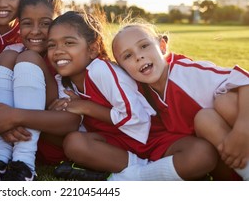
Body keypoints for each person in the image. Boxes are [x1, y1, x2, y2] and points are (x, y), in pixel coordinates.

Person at [47, 11, 217, 181]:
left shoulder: (101, 71)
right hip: (117, 146)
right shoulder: (62, 81)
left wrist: (86, 107)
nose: (58, 51)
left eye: (68, 43)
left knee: (203, 154)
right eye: (51, 45)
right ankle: (151, 172)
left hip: (151, 137)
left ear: (92, 49)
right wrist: (59, 111)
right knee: (74, 143)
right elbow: (77, 125)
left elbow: (135, 119)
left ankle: (131, 177)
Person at [111, 19, 249, 180]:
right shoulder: (140, 92)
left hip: (242, 133)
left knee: (222, 104)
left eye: (144, 46)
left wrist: (242, 129)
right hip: (223, 157)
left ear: (162, 46)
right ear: (123, 69)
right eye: (127, 56)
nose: (138, 56)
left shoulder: (187, 73)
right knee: (205, 121)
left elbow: (245, 79)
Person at [0, 0, 81, 181]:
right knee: (9, 56)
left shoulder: (63, 58)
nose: (36, 31)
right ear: (18, 25)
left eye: (46, 24)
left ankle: (24, 166)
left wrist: (14, 117)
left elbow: (70, 122)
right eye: (27, 23)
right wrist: (3, 119)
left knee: (28, 58)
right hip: (13, 138)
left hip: (52, 140)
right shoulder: (12, 52)